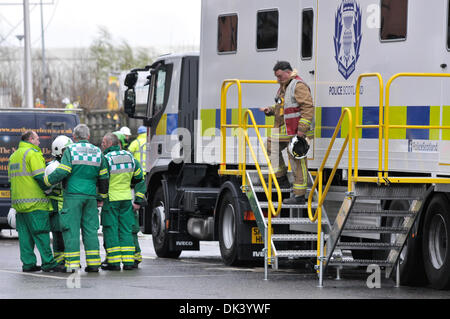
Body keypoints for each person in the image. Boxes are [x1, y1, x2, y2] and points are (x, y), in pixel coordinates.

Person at [44, 124, 109, 273]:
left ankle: (72, 264)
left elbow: (63, 171)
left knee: (71, 230)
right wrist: (101, 197)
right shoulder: (98, 152)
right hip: (91, 197)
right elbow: (104, 176)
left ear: (74, 137)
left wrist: (47, 181)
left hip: (73, 197)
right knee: (91, 230)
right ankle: (93, 264)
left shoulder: (70, 150)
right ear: (89, 136)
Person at [259, 61, 314, 205]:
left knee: (297, 160)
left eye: (280, 76)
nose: (277, 79)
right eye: (276, 77)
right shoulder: (284, 87)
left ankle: (299, 195)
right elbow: (283, 107)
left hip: (297, 130)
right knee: (271, 146)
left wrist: (301, 132)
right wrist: (270, 110)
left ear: (288, 72)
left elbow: (307, 108)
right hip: (286, 129)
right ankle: (281, 179)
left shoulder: (298, 85)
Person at [8, 131, 63, 272]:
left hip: (19, 205)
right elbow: (40, 177)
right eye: (37, 139)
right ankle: (48, 263)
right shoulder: (32, 153)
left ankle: (28, 264)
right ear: (31, 139)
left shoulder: (14, 156)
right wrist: (49, 187)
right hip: (35, 203)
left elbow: (11, 180)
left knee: (25, 237)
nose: (39, 142)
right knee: (41, 234)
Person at [100, 133, 144, 271]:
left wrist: (100, 198)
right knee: (126, 229)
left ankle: (113, 263)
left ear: (108, 143)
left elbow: (102, 180)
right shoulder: (130, 157)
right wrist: (138, 199)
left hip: (111, 199)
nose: (102, 145)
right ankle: (129, 262)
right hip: (126, 199)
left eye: (103, 143)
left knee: (111, 229)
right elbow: (139, 178)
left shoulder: (106, 159)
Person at [45, 135, 73, 266]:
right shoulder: (52, 166)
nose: (68, 152)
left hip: (69, 205)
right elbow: (47, 189)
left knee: (69, 234)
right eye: (65, 150)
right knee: (58, 235)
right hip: (57, 207)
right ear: (58, 151)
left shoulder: (71, 164)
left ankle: (70, 259)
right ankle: (60, 260)